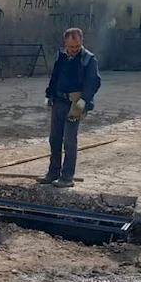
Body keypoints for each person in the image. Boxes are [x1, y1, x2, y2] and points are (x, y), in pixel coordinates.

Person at [42, 28, 102, 188]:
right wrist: (49, 95)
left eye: (76, 47)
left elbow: (94, 82)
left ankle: (67, 177)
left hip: (75, 103)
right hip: (59, 101)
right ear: (65, 44)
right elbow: (55, 76)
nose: (74, 50)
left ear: (81, 42)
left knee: (69, 140)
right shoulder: (61, 56)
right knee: (54, 138)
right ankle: (53, 172)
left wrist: (85, 100)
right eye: (71, 47)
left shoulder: (89, 59)